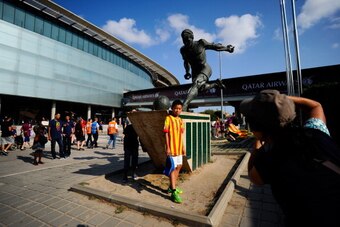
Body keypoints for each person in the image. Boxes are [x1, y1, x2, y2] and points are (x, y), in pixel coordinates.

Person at [240, 89, 340, 227]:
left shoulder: (270, 160)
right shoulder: (316, 133)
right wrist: (281, 102)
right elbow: (315, 106)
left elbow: (253, 176)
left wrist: (257, 145)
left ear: (258, 129)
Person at [180, 28, 234, 111]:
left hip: (205, 68)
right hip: (195, 71)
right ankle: (216, 84)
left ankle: (184, 105)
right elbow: (186, 62)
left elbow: (215, 46)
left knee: (196, 84)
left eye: (188, 39)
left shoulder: (201, 43)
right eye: (184, 40)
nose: (186, 42)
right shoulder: (183, 50)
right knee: (200, 89)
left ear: (192, 37)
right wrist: (187, 72)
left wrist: (227, 48)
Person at [163, 99, 186, 203]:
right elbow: (166, 134)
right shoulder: (168, 118)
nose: (177, 110)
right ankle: (173, 192)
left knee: (179, 166)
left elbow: (181, 135)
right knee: (173, 168)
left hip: (179, 148)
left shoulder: (181, 120)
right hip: (171, 148)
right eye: (176, 108)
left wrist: (183, 147)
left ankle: (172, 186)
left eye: (179, 108)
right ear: (172, 108)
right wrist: (167, 147)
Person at [122, 116, 139, 183]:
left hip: (130, 146)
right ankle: (128, 175)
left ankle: (127, 175)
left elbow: (124, 135)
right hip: (130, 146)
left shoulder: (131, 127)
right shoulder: (133, 127)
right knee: (130, 161)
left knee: (130, 160)